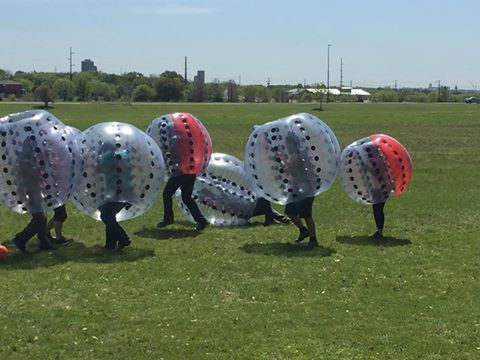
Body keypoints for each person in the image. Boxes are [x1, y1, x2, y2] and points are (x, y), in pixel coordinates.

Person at [13, 138, 52, 252]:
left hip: (35, 189)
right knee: (39, 218)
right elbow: (25, 176)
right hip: (30, 191)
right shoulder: (25, 160)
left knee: (43, 215)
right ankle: (21, 238)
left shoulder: (29, 157)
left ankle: (43, 241)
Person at [97, 142, 131, 250]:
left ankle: (123, 238)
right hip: (127, 191)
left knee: (106, 216)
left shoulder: (107, 156)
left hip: (115, 192)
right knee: (109, 216)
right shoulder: (122, 156)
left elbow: (98, 169)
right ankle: (110, 245)